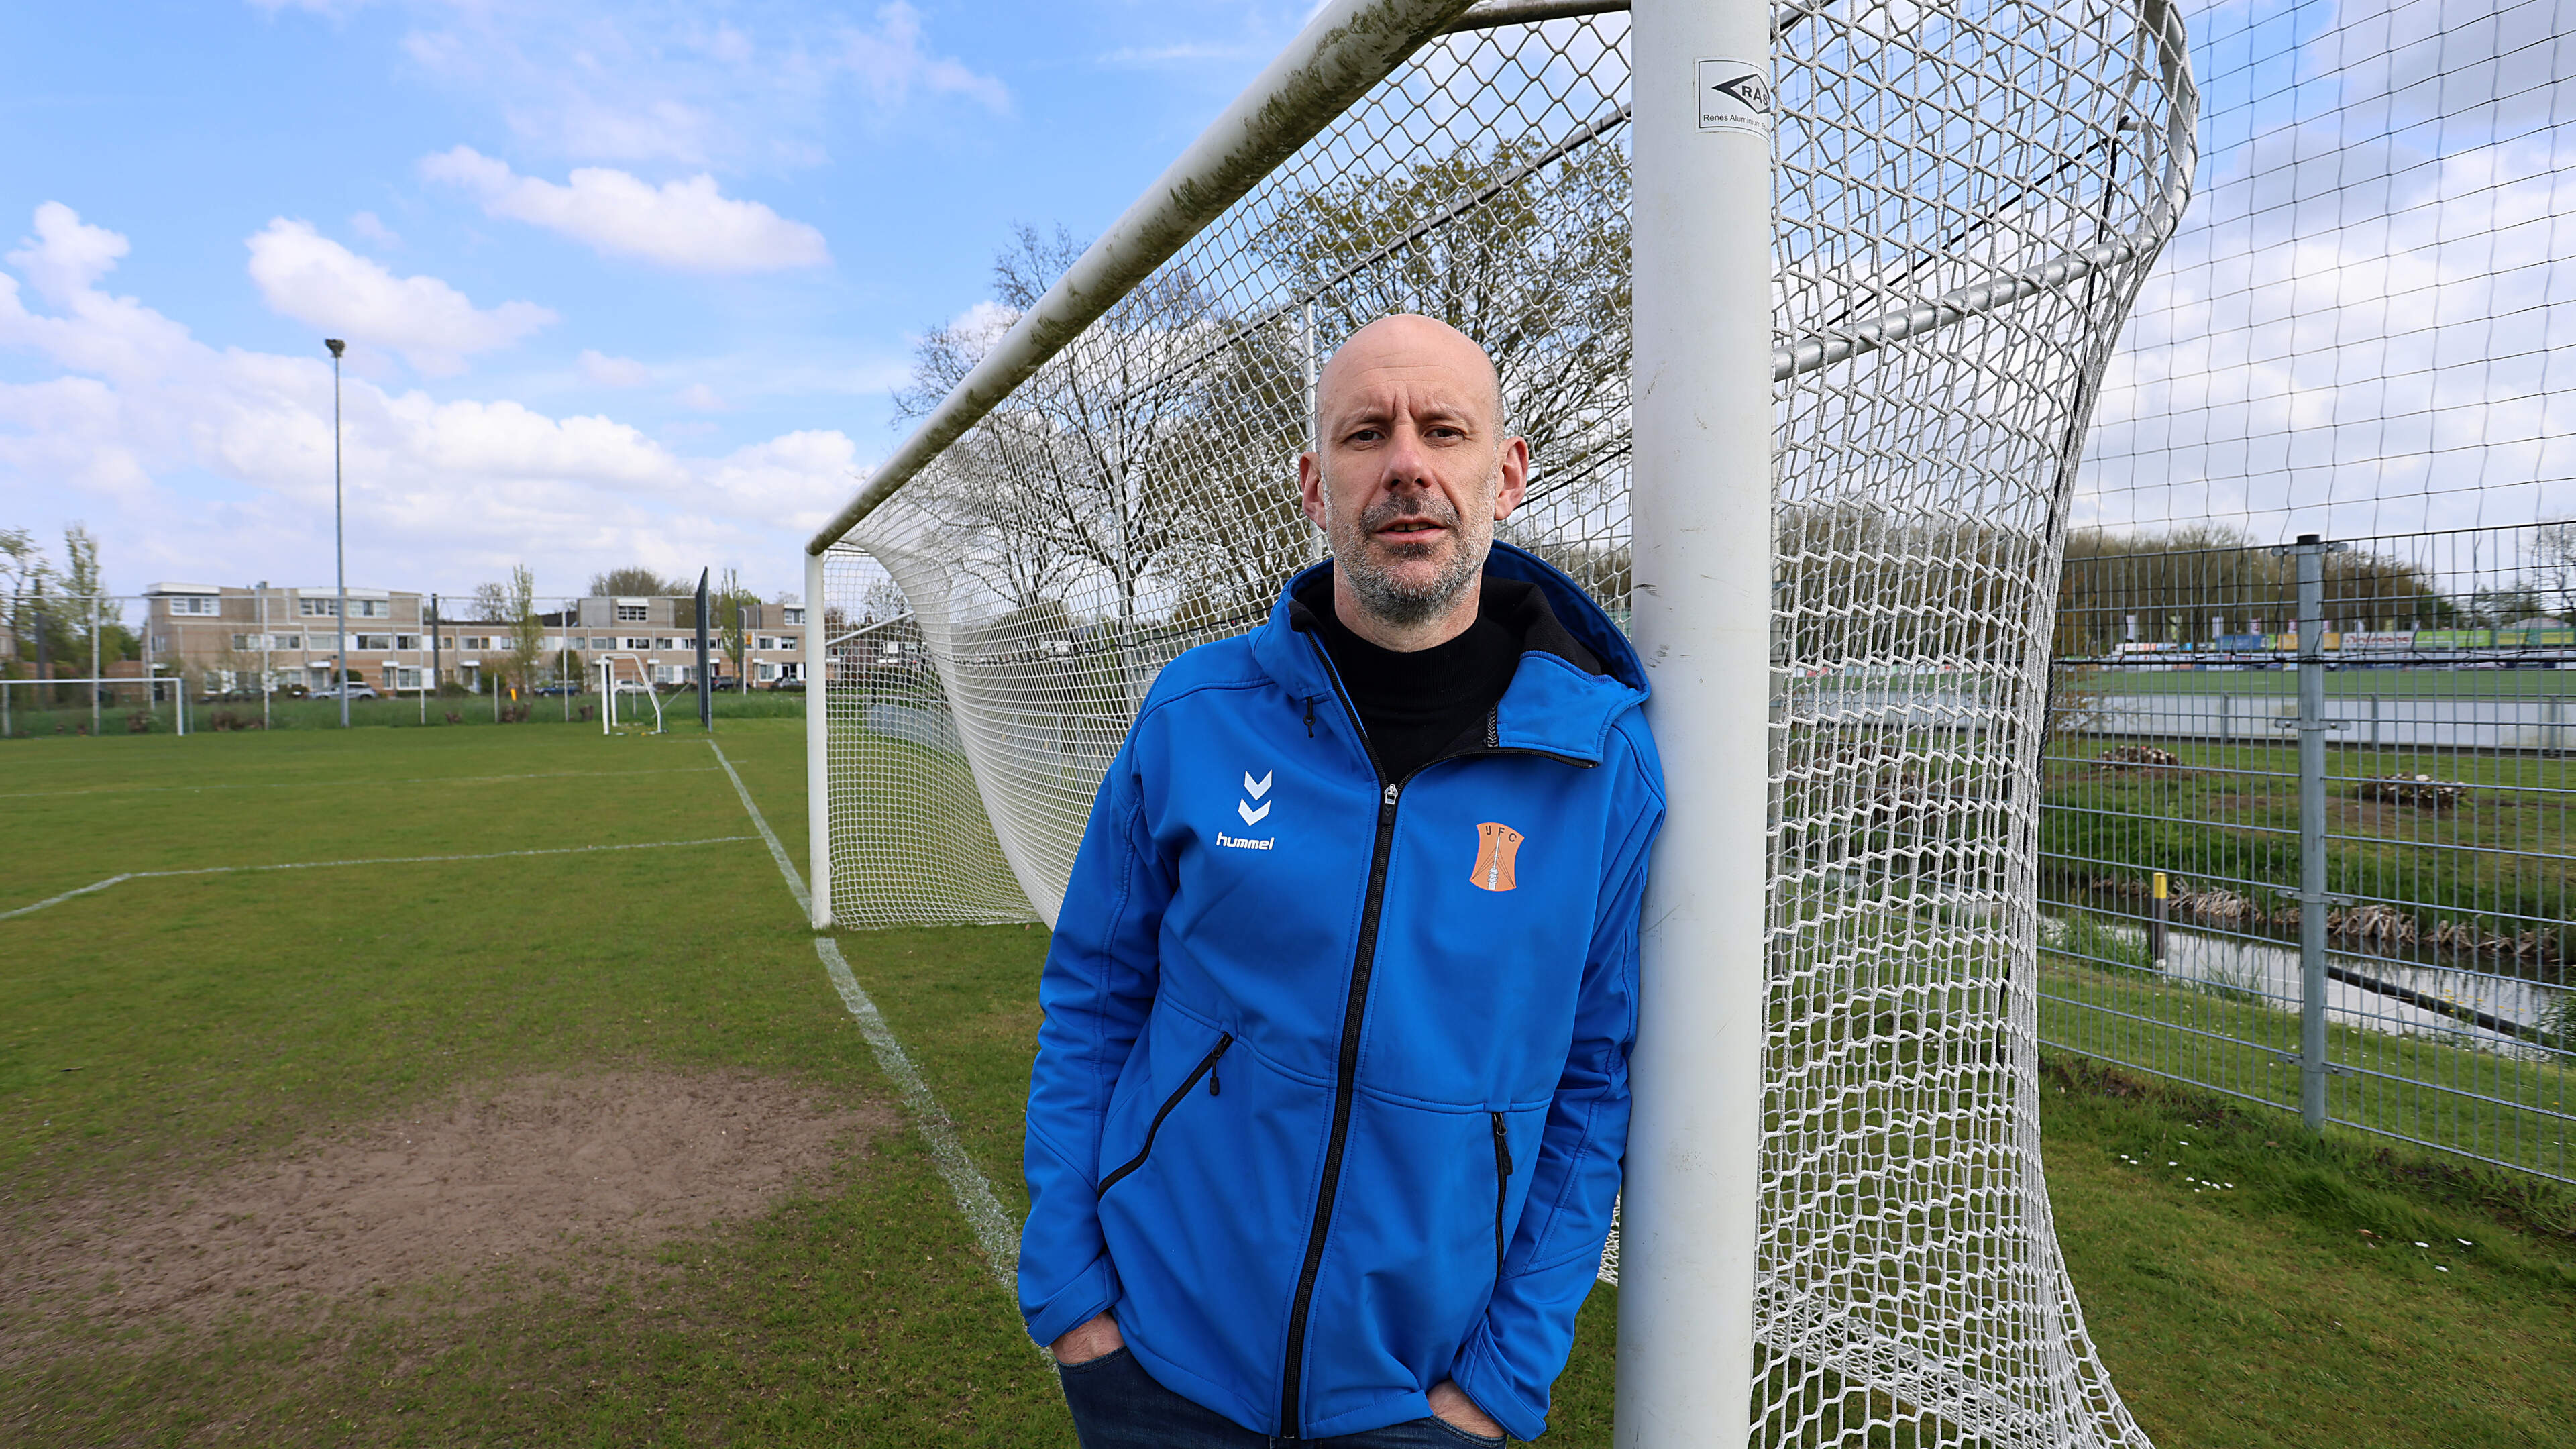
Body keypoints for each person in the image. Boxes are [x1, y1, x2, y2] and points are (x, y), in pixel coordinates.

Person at [1019, 314, 1664, 1446]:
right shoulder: (1193, 716)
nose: (1407, 463)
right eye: (1367, 434)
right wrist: (1073, 1289)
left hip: (1422, 1402)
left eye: (1444, 430)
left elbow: (1593, 1085)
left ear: (1504, 475)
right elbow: (1093, 999)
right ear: (1316, 487)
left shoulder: (1601, 767)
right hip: (1156, 1363)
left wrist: (1501, 1381)